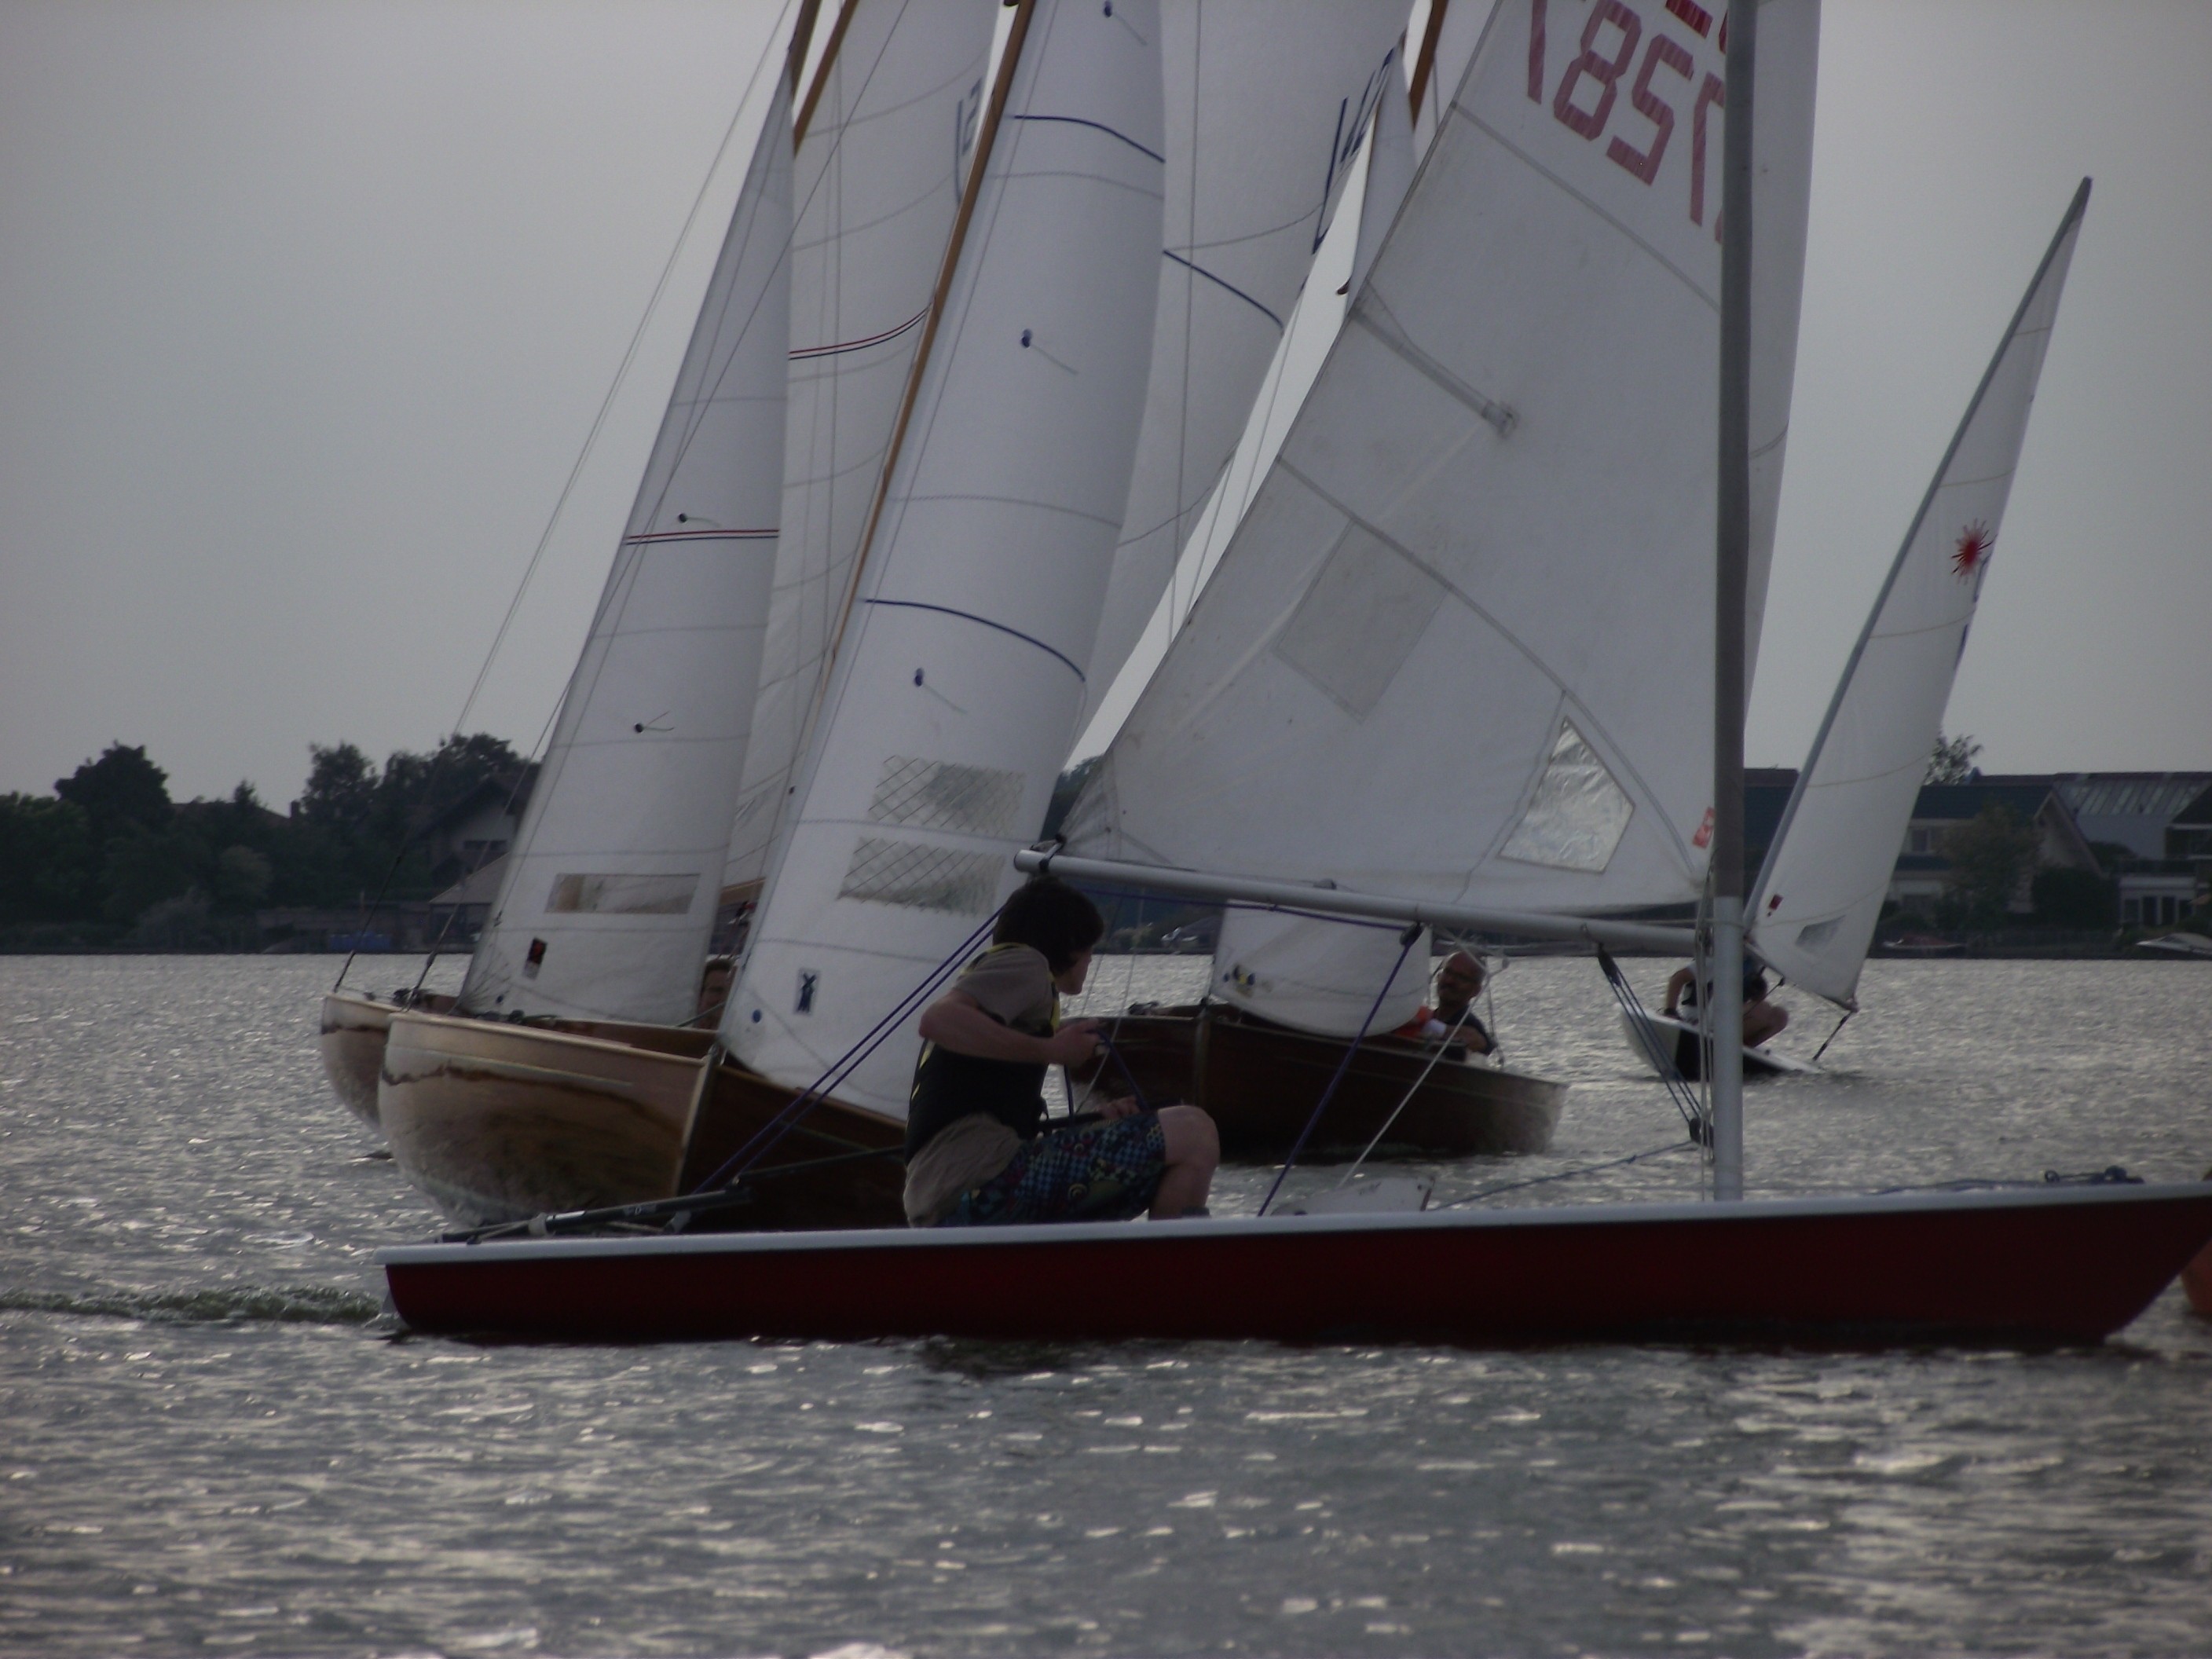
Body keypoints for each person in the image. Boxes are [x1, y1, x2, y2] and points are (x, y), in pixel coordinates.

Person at [903, 877, 1219, 1228]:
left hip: (957, 1196)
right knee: (1194, 1132)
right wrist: (1053, 1050)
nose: (1090, 959)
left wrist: (1098, 1126)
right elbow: (936, 1020)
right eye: (1089, 948)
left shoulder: (1002, 987)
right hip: (983, 1185)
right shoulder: (1028, 964)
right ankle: (1176, 1274)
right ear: (1069, 945)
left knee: (1165, 1150)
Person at [1664, 958, 1789, 1048]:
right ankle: (1720, 1041)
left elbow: (1756, 998)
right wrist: (1670, 1011)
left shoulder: (1755, 963)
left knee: (1780, 1016)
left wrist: (1758, 989)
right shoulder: (1715, 957)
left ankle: (1744, 1048)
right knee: (1762, 1010)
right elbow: (1677, 978)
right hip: (1700, 1021)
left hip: (1725, 1020)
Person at [1393, 950, 1492, 1054]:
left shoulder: (1471, 1024)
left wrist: (1428, 1025)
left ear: (1476, 991)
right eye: (1447, 972)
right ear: (1438, 976)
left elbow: (1480, 1043)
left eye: (1461, 977)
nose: (1449, 981)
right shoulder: (1420, 1017)